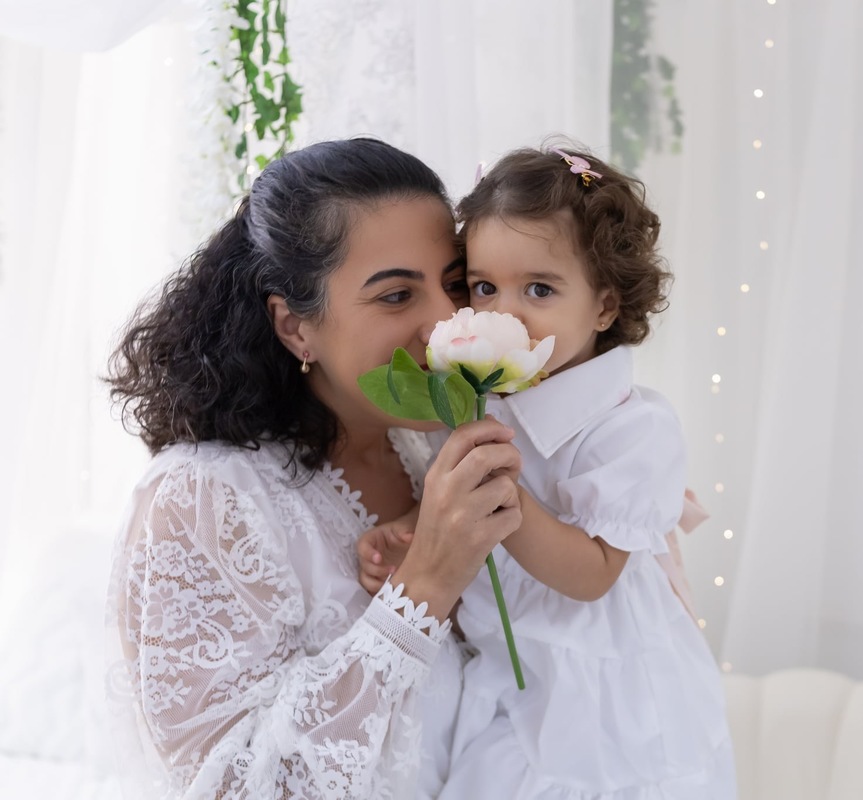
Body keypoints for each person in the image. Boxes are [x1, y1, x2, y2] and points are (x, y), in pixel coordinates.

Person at [104, 137, 523, 800]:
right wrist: (423, 586)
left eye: (452, 285)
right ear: (295, 327)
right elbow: (231, 790)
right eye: (394, 297)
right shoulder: (201, 499)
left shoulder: (441, 449)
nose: (445, 323)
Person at [436, 145, 735, 798]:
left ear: (603, 306)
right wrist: (411, 529)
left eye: (539, 289)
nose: (505, 313)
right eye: (485, 287)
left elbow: (593, 576)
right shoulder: (482, 399)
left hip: (600, 696)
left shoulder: (632, 428)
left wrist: (503, 498)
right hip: (509, 672)